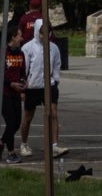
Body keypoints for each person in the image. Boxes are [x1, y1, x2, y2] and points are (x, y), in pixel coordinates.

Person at [19, 19, 68, 158]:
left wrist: (56, 80)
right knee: (28, 116)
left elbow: (57, 65)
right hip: (32, 86)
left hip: (49, 85)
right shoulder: (27, 48)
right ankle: (24, 143)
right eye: (42, 33)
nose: (45, 36)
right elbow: (24, 69)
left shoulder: (54, 48)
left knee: (53, 113)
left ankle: (54, 145)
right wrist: (23, 88)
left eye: (48, 33)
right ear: (37, 32)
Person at [0, 28, 28, 165]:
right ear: (12, 38)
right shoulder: (2, 53)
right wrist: (11, 84)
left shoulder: (20, 54)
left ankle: (1, 142)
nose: (22, 39)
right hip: (3, 93)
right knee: (10, 123)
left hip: (16, 93)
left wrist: (23, 82)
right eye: (19, 36)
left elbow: (22, 72)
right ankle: (11, 154)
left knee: (15, 124)